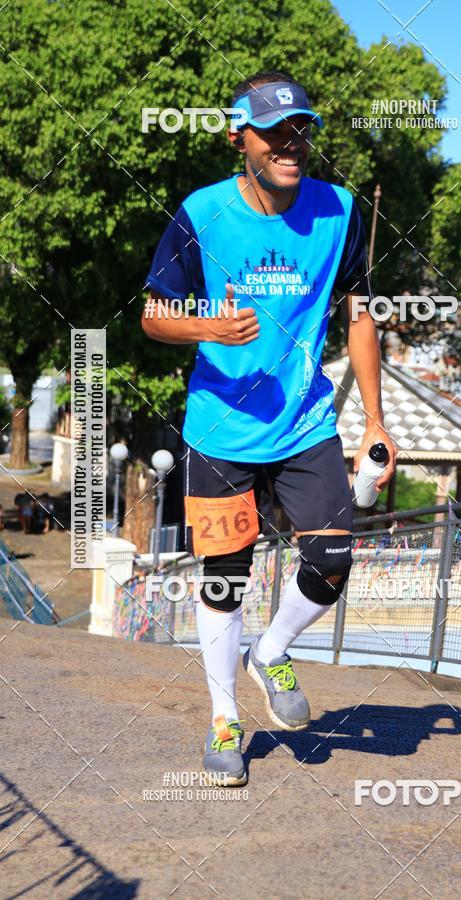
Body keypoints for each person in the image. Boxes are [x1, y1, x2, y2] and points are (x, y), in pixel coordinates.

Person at [142, 70, 396, 786]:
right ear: (239, 138)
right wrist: (208, 326)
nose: (291, 144)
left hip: (305, 421)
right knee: (224, 582)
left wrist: (374, 420)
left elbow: (359, 317)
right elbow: (151, 314)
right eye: (274, 132)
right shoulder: (202, 213)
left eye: (301, 130)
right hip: (220, 429)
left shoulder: (338, 210)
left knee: (332, 560)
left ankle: (272, 651)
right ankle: (225, 717)